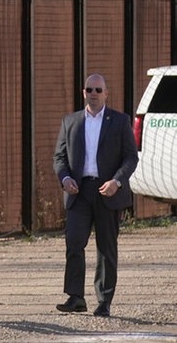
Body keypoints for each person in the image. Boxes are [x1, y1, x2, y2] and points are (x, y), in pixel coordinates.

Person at [52, 73, 138, 317]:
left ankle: (104, 301)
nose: (94, 94)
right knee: (74, 242)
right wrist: (65, 178)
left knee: (106, 248)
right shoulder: (71, 122)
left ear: (106, 93)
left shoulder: (119, 121)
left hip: (107, 191)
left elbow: (131, 157)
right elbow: (59, 157)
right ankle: (75, 297)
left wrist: (117, 181)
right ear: (83, 93)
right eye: (89, 89)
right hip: (79, 192)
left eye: (98, 90)